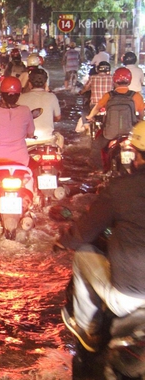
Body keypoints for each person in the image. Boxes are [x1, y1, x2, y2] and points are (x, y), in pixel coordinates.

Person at [56, 120, 145, 352]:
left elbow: (85, 231)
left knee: (83, 254)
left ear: (136, 154)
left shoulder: (121, 188)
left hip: (130, 298)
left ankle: (88, 328)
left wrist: (63, 242)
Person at [87, 67, 144, 168]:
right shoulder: (136, 96)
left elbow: (97, 108)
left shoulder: (108, 96)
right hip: (130, 133)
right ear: (129, 81)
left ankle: (97, 170)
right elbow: (141, 115)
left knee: (96, 146)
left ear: (114, 81)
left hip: (110, 134)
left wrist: (90, 116)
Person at [17, 68, 62, 148]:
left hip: (26, 141)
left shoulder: (21, 98)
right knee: (60, 138)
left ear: (30, 84)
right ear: (45, 84)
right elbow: (58, 117)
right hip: (47, 139)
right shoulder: (52, 97)